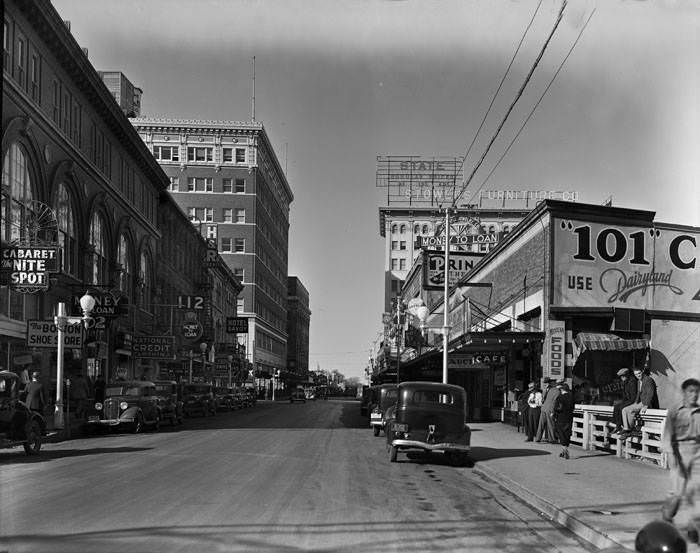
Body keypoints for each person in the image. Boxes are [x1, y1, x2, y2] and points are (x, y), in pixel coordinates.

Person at [660, 378, 700, 545]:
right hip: (679, 451)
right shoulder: (675, 411)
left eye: (696, 392)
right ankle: (667, 516)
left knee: (695, 492)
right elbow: (667, 436)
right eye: (690, 391)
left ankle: (693, 528)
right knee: (677, 493)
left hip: (697, 453)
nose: (694, 395)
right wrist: (672, 457)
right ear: (684, 393)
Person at [620, 368, 659, 438]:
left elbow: (650, 393)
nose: (638, 375)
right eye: (636, 374)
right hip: (641, 402)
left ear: (642, 372)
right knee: (624, 410)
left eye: (639, 373)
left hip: (647, 402)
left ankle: (630, 429)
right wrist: (635, 402)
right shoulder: (639, 381)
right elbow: (638, 393)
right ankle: (626, 428)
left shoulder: (648, 380)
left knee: (631, 410)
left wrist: (646, 405)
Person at [553, 380, 575, 459]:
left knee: (561, 433)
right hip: (569, 417)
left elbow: (557, 408)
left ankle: (565, 450)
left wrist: (554, 413)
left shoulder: (560, 397)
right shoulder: (571, 397)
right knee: (567, 433)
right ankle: (564, 451)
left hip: (561, 417)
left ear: (562, 389)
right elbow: (573, 407)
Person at [612, 368, 638, 433]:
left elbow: (633, 397)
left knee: (621, 408)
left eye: (623, 376)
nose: (622, 378)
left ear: (627, 375)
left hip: (633, 401)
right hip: (629, 400)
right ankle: (618, 425)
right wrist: (622, 402)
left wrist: (624, 403)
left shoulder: (632, 382)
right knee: (616, 407)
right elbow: (625, 395)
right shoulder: (625, 382)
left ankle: (622, 426)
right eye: (621, 377)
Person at [536, 377, 561, 443]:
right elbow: (554, 402)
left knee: (541, 424)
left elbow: (544, 399)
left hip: (543, 408)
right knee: (550, 424)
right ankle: (552, 439)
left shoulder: (549, 390)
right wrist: (553, 411)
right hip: (549, 409)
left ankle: (538, 438)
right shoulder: (557, 391)